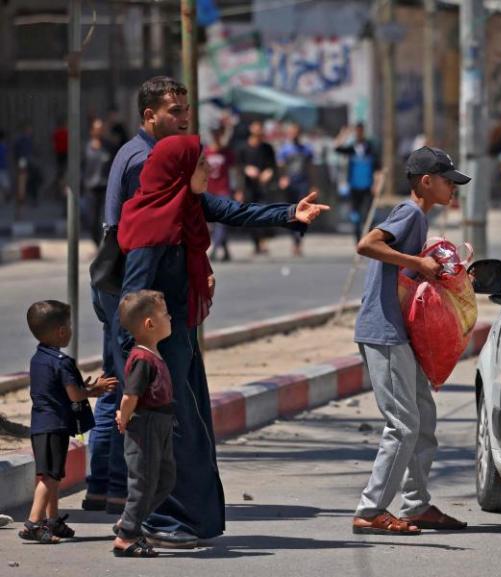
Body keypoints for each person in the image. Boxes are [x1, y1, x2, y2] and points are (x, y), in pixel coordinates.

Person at [116, 134, 329, 548]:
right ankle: (162, 521)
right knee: (176, 434)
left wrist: (290, 213)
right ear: (180, 171)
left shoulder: (187, 205)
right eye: (200, 166)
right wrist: (139, 365)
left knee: (191, 429)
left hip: (180, 339)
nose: (209, 172)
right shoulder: (152, 226)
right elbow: (131, 301)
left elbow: (237, 211)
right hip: (161, 353)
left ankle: (185, 519)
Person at [84, 76, 191, 518]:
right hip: (126, 282)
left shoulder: (139, 151)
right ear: (149, 115)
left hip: (119, 279)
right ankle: (110, 488)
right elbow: (141, 237)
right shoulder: (144, 160)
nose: (184, 119)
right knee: (120, 384)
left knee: (116, 380)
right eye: (174, 112)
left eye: (186, 111)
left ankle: (104, 489)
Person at [352, 147, 470, 535]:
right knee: (403, 423)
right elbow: (367, 244)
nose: (453, 188)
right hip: (383, 331)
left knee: (423, 417)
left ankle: (416, 504)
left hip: (397, 332)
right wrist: (419, 264)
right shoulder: (410, 213)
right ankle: (371, 510)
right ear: (426, 181)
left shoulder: (418, 219)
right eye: (448, 181)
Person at [19, 300, 117, 544]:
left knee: (52, 474)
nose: (72, 330)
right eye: (69, 326)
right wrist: (96, 389)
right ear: (61, 331)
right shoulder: (62, 362)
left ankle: (52, 521)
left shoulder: (38, 358)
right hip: (54, 425)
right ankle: (33, 523)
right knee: (49, 476)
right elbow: (75, 395)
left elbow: (56, 389)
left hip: (41, 424)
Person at [112, 290, 176, 558]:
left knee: (165, 479)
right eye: (164, 314)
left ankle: (129, 521)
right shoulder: (141, 359)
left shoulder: (153, 353)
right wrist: (124, 417)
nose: (169, 317)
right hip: (145, 425)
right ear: (150, 324)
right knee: (144, 481)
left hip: (160, 424)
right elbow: (130, 395)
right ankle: (126, 538)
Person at [235, 120, 277, 254]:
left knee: (264, 212)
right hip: (249, 187)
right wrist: (246, 170)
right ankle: (256, 243)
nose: (259, 130)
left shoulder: (267, 148)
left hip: (263, 187)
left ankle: (263, 241)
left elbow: (273, 166)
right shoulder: (243, 148)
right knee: (251, 215)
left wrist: (268, 172)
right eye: (256, 127)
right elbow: (238, 168)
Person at [335, 123, 381, 242]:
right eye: (356, 131)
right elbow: (336, 147)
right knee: (356, 216)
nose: (359, 133)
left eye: (360, 131)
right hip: (354, 187)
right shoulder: (351, 148)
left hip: (368, 187)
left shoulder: (370, 147)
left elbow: (378, 169)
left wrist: (376, 185)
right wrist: (345, 133)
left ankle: (371, 241)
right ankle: (358, 240)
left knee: (369, 215)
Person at [278, 123, 314, 257]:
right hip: (290, 183)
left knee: (303, 212)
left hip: (302, 183)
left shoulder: (306, 150)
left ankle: (299, 241)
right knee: (291, 212)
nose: (294, 134)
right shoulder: (285, 149)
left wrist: (312, 184)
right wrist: (282, 178)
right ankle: (294, 239)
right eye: (292, 132)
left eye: (296, 132)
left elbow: (311, 168)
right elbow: (280, 166)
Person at [204, 127, 235, 262]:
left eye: (219, 135)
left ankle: (215, 249)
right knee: (212, 223)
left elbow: (233, 172)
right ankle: (226, 249)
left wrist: (237, 189)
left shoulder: (227, 153)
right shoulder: (205, 152)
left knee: (222, 221)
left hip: (223, 190)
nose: (217, 137)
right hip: (209, 190)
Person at [83, 118, 112, 246]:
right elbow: (81, 166)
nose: (99, 132)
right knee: (92, 219)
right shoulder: (86, 148)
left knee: (104, 218)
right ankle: (95, 241)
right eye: (97, 129)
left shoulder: (109, 147)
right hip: (91, 188)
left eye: (102, 129)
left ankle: (103, 244)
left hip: (106, 187)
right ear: (92, 131)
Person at [0, 129, 10, 205]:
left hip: (2, 167)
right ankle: (4, 198)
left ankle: (3, 199)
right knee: (5, 185)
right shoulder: (4, 146)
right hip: (3, 167)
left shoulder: (4, 146)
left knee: (4, 185)